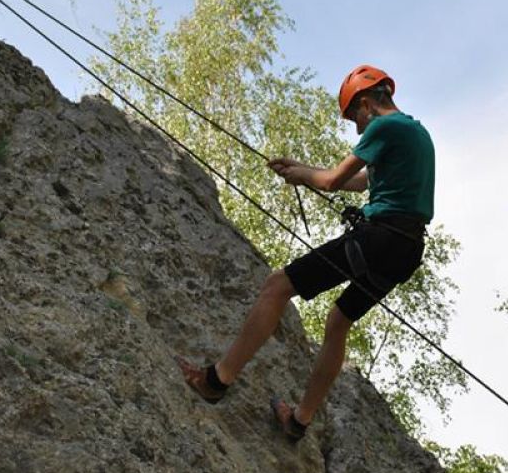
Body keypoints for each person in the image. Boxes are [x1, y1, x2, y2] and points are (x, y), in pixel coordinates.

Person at [178, 65, 435, 442]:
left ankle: (217, 380)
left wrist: (305, 176)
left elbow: (332, 180)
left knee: (277, 286)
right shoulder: (417, 134)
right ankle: (299, 421)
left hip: (380, 237)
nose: (358, 129)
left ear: (366, 103)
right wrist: (301, 170)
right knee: (338, 322)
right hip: (406, 250)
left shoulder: (383, 126)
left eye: (354, 119)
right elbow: (361, 181)